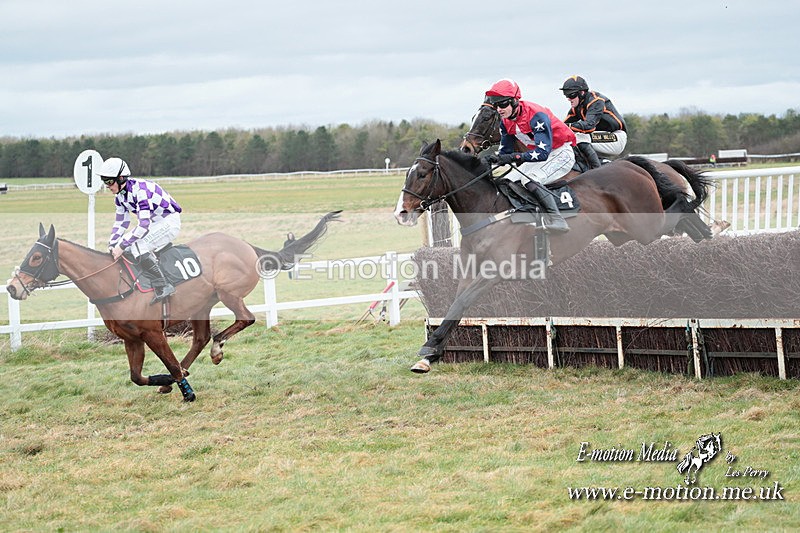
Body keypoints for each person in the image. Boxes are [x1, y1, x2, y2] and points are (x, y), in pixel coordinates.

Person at [483, 78, 575, 233]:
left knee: (529, 179)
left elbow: (542, 153)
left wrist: (513, 157)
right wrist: (494, 158)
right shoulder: (505, 122)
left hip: (561, 153)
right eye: (496, 104)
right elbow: (506, 152)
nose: (499, 109)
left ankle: (557, 220)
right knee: (506, 180)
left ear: (514, 101)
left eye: (503, 104)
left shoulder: (536, 115)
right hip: (540, 155)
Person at [98, 157, 182, 304]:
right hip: (156, 223)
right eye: (105, 182)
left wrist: (122, 245)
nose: (107, 186)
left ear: (121, 178)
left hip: (169, 221)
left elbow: (143, 225)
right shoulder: (120, 197)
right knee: (129, 246)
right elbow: (121, 222)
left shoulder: (140, 191)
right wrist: (112, 244)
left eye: (109, 182)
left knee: (137, 246)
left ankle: (163, 285)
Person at [559, 75, 627, 170]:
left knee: (578, 137)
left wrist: (567, 127)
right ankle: (595, 163)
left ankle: (596, 172)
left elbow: (589, 126)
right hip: (600, 137)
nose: (569, 98)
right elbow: (561, 126)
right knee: (567, 139)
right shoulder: (577, 107)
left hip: (616, 137)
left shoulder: (596, 101)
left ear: (582, 93)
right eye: (566, 95)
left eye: (571, 95)